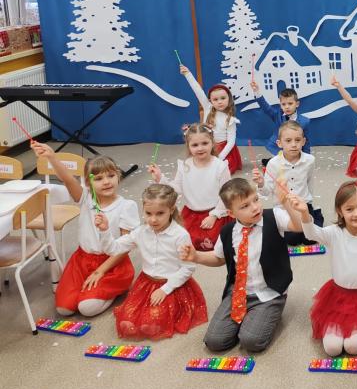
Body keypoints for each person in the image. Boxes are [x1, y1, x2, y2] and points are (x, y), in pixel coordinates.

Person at [180, 177, 302, 353]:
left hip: (269, 292)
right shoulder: (227, 231)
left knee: (251, 341)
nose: (255, 207)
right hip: (238, 292)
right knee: (214, 341)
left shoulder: (273, 217)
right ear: (231, 213)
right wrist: (196, 256)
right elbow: (219, 258)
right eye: (245, 206)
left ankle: (266, 315)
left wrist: (286, 204)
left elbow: (298, 226)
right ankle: (251, 319)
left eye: (256, 200)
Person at [31, 142, 138, 318]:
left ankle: (114, 290)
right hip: (82, 261)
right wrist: (51, 157)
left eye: (111, 175)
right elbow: (67, 179)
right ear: (88, 183)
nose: (106, 182)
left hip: (112, 264)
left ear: (118, 176)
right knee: (64, 309)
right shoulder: (86, 197)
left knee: (86, 308)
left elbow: (125, 247)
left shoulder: (127, 206)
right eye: (98, 178)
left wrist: (100, 271)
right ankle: (92, 292)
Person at [295, 180, 357, 355]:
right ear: (339, 211)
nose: (356, 213)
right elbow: (311, 233)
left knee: (352, 347)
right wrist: (304, 213)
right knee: (332, 348)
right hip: (338, 297)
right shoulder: (334, 233)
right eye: (349, 209)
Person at [95, 184, 207, 339]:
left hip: (173, 285)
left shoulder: (180, 235)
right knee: (128, 322)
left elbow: (188, 268)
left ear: (171, 210)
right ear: (143, 209)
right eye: (148, 213)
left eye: (160, 213)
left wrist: (165, 289)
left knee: (152, 324)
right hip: (146, 283)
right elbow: (113, 249)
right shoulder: (140, 232)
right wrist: (104, 230)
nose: (153, 219)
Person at [150, 123, 230, 251]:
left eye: (205, 143)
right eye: (195, 145)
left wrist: (214, 216)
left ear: (212, 143)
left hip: (214, 212)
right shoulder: (185, 165)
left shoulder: (220, 166)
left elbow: (226, 194)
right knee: (183, 242)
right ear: (188, 146)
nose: (200, 148)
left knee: (215, 244)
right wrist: (161, 178)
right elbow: (176, 188)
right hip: (191, 214)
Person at [253, 120, 323, 245]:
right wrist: (261, 183)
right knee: (292, 240)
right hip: (283, 208)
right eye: (288, 141)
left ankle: (316, 214)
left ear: (304, 141)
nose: (294, 144)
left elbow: (309, 183)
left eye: (297, 140)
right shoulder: (273, 164)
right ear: (279, 143)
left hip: (303, 205)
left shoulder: (310, 160)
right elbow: (266, 192)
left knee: (310, 240)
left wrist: (309, 203)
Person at [180, 64, 242, 173]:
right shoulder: (207, 108)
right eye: (215, 99)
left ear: (229, 99)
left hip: (222, 150)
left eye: (223, 98)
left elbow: (231, 142)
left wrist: (219, 158)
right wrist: (188, 74)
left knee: (217, 171)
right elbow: (198, 90)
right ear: (210, 101)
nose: (220, 102)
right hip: (205, 145)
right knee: (199, 167)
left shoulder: (230, 120)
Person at [251, 80, 311, 161]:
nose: (287, 107)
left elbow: (306, 141)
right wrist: (257, 91)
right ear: (280, 105)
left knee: (293, 164)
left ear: (297, 104)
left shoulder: (304, 121)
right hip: (276, 149)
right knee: (279, 164)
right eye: (283, 104)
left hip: (294, 149)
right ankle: (272, 161)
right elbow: (265, 107)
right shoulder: (277, 115)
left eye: (290, 103)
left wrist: (307, 158)